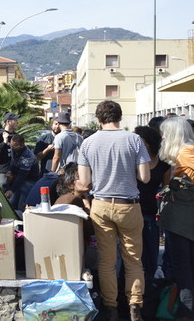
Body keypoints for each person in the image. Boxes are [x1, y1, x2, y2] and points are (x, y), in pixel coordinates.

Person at [78, 100, 151, 321]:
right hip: (128, 206)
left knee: (107, 261)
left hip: (100, 205)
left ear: (98, 120)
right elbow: (145, 178)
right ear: (119, 117)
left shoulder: (88, 143)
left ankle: (110, 307)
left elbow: (84, 181)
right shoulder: (134, 140)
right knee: (133, 260)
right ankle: (134, 305)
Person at [158, 117, 194, 320]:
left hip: (183, 220)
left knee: (183, 266)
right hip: (183, 218)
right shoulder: (187, 150)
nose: (162, 136)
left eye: (165, 133)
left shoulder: (186, 151)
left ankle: (186, 310)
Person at [133, 125, 170, 284]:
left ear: (150, 142)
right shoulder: (132, 160)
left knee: (151, 253)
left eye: (140, 141)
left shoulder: (163, 164)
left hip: (151, 212)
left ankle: (150, 286)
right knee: (133, 254)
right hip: (132, 209)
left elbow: (166, 189)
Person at [4, 134, 40, 216]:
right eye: (11, 145)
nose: (12, 148)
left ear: (22, 145)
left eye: (15, 146)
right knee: (12, 204)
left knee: (21, 206)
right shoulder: (14, 150)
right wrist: (10, 171)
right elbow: (13, 163)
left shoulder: (27, 156)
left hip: (29, 181)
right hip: (18, 180)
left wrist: (11, 190)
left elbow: (22, 176)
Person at [0, 113, 20, 190]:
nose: (17, 122)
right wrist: (4, 142)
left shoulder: (17, 136)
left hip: (15, 170)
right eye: (15, 120)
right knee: (2, 189)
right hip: (3, 170)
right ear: (8, 122)